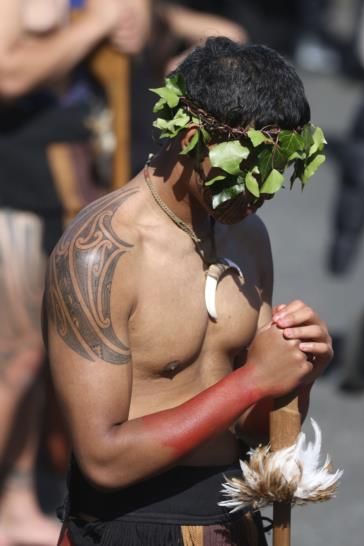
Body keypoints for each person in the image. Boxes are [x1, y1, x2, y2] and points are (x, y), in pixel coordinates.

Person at [45, 37, 333, 546]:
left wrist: (297, 373)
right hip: (128, 525)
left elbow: (252, 428)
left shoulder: (248, 235)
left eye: (275, 173)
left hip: (232, 517)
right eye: (249, 168)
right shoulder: (100, 253)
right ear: (194, 136)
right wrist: (250, 382)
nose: (259, 193)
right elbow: (103, 460)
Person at [0, 1, 151, 545]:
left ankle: (13, 508)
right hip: (11, 189)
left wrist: (145, 23)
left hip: (62, 184)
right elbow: (6, 71)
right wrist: (99, 20)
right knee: (10, 367)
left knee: (36, 362)